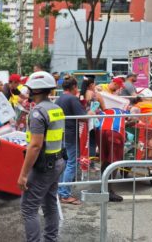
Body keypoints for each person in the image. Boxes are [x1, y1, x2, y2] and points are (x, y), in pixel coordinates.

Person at [17, 71, 65, 242]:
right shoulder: (56, 109)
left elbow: (35, 145)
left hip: (44, 166)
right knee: (50, 203)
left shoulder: (37, 113)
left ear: (35, 91)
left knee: (29, 208)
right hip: (57, 162)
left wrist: (23, 174)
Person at [56, 76, 87, 205]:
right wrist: (90, 113)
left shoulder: (59, 99)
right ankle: (65, 194)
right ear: (74, 87)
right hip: (70, 135)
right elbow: (83, 117)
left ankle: (61, 191)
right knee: (71, 164)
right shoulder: (72, 99)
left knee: (64, 164)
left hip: (61, 134)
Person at [96, 108, 127, 202]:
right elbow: (133, 119)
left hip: (100, 130)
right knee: (114, 162)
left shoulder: (105, 110)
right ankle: (108, 191)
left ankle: (103, 188)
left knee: (105, 160)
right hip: (114, 131)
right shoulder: (123, 110)